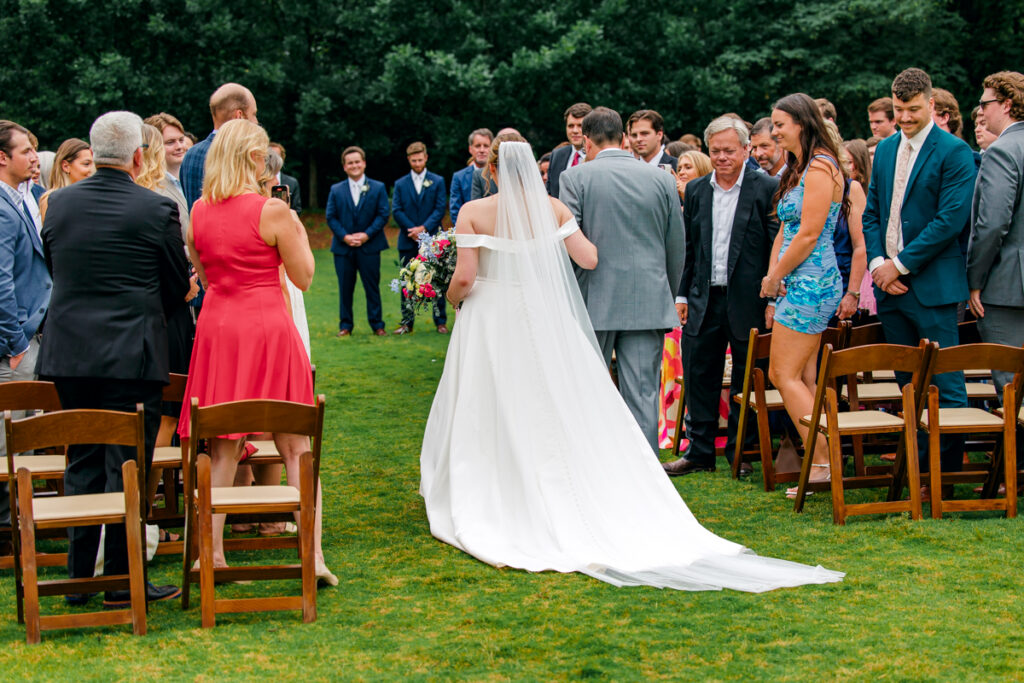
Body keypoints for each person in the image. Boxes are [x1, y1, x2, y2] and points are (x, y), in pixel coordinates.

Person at [420, 135, 842, 592]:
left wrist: (453, 296)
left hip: (491, 317)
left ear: (494, 171)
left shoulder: (473, 212)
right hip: (542, 318)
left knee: (489, 395)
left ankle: (492, 483)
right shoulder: (552, 209)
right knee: (547, 396)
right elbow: (588, 256)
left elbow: (464, 276)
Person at [176, 118, 336, 586]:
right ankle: (315, 556)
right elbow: (304, 276)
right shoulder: (271, 211)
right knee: (295, 447)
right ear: (252, 158)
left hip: (219, 330)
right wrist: (294, 227)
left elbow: (204, 276)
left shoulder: (200, 210)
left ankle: (213, 555)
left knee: (222, 447)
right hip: (267, 327)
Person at [38, 111, 188, 607]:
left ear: (96, 151)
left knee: (80, 459)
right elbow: (173, 286)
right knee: (128, 463)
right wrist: (144, 316)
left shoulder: (56, 205)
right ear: (139, 155)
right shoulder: (154, 209)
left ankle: (80, 580)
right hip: (132, 352)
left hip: (71, 354)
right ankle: (123, 582)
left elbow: (59, 269)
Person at [862, 68, 975, 487]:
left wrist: (901, 264)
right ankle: (917, 470)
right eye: (898, 109)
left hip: (931, 286)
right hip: (889, 288)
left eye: (912, 109)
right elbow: (872, 213)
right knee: (908, 385)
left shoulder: (955, 152)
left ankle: (944, 479)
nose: (905, 117)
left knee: (945, 385)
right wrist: (878, 266)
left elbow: (950, 220)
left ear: (931, 103)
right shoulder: (887, 149)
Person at [559, 107, 685, 454]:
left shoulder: (575, 178)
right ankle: (646, 480)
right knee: (643, 394)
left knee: (590, 390)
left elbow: (571, 245)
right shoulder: (661, 178)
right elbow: (676, 245)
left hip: (593, 302)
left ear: (586, 140)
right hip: (648, 300)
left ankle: (596, 467)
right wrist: (666, 291)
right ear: (624, 138)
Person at [663, 116, 780, 477]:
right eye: (715, 151)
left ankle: (739, 452)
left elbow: (776, 246)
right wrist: (682, 293)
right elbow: (690, 246)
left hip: (749, 299)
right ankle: (699, 451)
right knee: (699, 373)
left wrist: (773, 299)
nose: (722, 157)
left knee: (747, 376)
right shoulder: (697, 190)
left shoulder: (767, 188)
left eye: (730, 151)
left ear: (746, 149)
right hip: (703, 296)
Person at [759, 94, 847, 497]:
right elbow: (787, 229)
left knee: (784, 374)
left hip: (812, 282)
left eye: (780, 124)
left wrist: (776, 276)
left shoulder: (822, 166)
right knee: (805, 376)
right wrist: (774, 272)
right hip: (798, 279)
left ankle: (825, 462)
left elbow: (810, 233)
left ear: (801, 122)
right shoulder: (801, 168)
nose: (774, 131)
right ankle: (823, 460)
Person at [0, 120, 51, 539]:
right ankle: (7, 527)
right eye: (25, 151)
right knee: (9, 436)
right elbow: (1, 280)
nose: (35, 157)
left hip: (30, 332)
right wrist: (16, 342)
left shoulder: (23, 197)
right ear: (2, 158)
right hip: (12, 341)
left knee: (24, 431)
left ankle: (21, 520)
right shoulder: (1, 206)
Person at [967, 71, 1024, 396]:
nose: (981, 111)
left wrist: (975, 279)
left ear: (1007, 104)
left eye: (985, 103)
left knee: (1013, 391)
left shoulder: (1003, 151)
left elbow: (991, 224)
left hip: (1008, 288)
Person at [325, 145, 390, 336]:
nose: (354, 165)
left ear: (364, 163)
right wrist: (344, 236)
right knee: (345, 288)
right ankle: (345, 326)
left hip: (369, 246)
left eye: (357, 162)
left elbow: (383, 214)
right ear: (344, 167)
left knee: (372, 287)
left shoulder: (377, 187)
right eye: (350, 163)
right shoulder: (336, 190)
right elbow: (331, 216)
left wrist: (366, 235)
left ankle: (377, 325)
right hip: (343, 249)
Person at [392, 141, 449, 335]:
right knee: (407, 281)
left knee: (436, 280)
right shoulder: (400, 184)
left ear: (426, 158)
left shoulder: (438, 181)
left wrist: (424, 228)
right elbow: (397, 209)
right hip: (408, 239)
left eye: (420, 159)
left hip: (432, 238)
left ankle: (440, 321)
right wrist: (413, 229)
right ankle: (407, 322)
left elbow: (440, 207)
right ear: (409, 160)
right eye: (413, 160)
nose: (417, 163)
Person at [180, 83, 258, 211]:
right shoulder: (240, 156)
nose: (256, 121)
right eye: (254, 114)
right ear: (239, 115)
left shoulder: (190, 154)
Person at [546, 102, 592, 199]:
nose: (575, 130)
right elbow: (550, 192)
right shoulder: (557, 155)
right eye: (571, 126)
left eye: (580, 126)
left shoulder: (597, 157)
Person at [449, 128, 492, 227]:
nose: (482, 150)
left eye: (486, 146)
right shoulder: (459, 177)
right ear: (470, 149)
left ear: (491, 148)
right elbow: (455, 210)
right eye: (477, 146)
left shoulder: (499, 175)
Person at [144, 112, 189, 193]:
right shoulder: (149, 188)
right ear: (153, 147)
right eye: (170, 142)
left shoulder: (193, 179)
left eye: (181, 140)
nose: (179, 146)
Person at [269, 141, 302, 214]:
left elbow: (297, 210)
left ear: (282, 159)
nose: (273, 160)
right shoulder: (257, 182)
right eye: (270, 156)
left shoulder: (292, 183)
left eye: (277, 156)